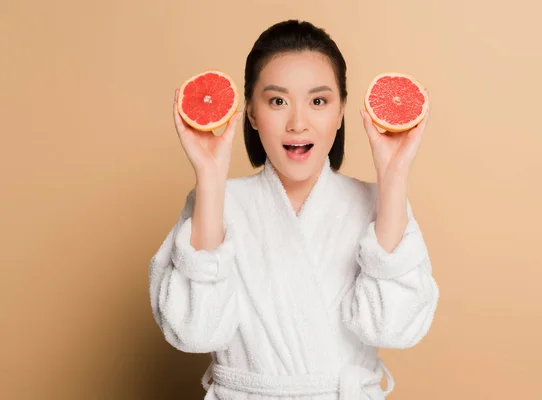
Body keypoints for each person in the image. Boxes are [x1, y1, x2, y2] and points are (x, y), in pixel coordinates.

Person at [149, 19, 439, 399]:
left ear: (341, 113)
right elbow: (195, 331)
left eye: (318, 101)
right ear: (251, 112)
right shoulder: (216, 202)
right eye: (277, 101)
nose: (298, 123)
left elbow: (393, 327)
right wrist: (209, 176)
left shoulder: (378, 205)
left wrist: (395, 175)